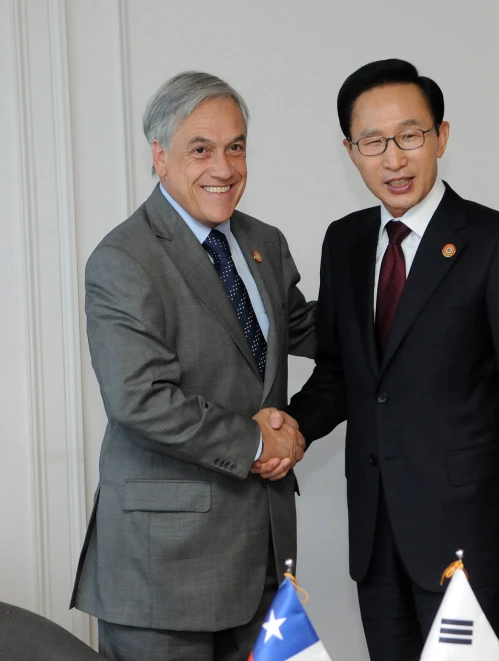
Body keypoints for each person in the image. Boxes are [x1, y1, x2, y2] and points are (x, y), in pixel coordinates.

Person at [272, 59, 499, 661]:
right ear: (351, 151)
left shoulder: (498, 243)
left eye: (410, 135)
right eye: (373, 142)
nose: (394, 159)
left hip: (474, 548)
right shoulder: (345, 241)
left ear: (442, 136)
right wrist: (289, 430)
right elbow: (341, 373)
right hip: (378, 541)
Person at [70, 71, 315, 661]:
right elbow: (141, 401)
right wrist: (257, 441)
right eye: (200, 149)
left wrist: (403, 292)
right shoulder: (124, 259)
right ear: (159, 156)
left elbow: (308, 332)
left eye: (236, 146)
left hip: (260, 556)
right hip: (164, 571)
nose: (224, 167)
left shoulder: (265, 243)